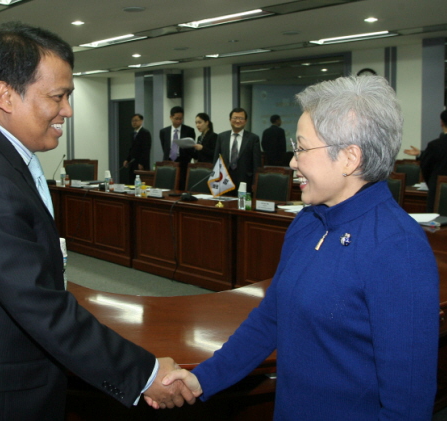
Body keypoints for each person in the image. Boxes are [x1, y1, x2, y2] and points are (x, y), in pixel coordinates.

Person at [0, 22, 194, 420]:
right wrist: (145, 374)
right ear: (6, 96)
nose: (68, 110)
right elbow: (40, 308)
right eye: (57, 97)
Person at [164, 76, 439, 420]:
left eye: (303, 149)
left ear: (350, 158)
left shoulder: (399, 249)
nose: (293, 161)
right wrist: (202, 378)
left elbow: (407, 406)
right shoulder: (308, 221)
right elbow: (269, 319)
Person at [404, 110, 447, 211]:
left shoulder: (435, 145)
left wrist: (432, 183)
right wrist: (421, 153)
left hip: (437, 192)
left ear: (441, 122)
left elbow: (426, 167)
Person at [212, 107, 261, 192]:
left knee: (243, 204)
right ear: (230, 120)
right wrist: (215, 179)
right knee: (225, 204)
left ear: (245, 121)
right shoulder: (221, 137)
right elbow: (216, 159)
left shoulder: (253, 138)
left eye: (241, 118)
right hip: (224, 180)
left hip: (245, 180)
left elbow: (257, 163)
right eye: (235, 118)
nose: (237, 121)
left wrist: (255, 182)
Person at [159, 106, 196, 189]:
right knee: (168, 187)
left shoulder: (189, 131)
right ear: (171, 117)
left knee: (182, 187)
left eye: (181, 118)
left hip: (183, 163)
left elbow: (191, 149)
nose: (179, 121)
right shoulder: (164, 132)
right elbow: (164, 147)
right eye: (176, 118)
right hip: (168, 163)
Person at [124, 113, 152, 182]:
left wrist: (142, 163)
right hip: (132, 162)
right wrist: (127, 159)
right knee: (131, 183)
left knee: (141, 183)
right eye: (132, 121)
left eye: (136, 120)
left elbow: (146, 149)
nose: (134, 122)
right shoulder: (132, 134)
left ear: (141, 121)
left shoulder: (145, 133)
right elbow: (131, 148)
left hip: (141, 164)